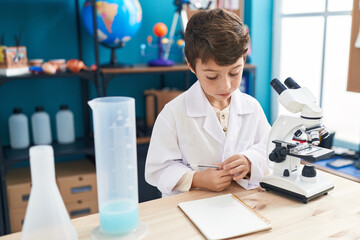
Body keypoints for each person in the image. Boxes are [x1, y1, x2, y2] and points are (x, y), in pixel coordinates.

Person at [145, 8, 271, 197]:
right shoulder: (173, 113)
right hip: (190, 204)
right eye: (212, 76)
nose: (226, 85)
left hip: (240, 200)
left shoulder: (251, 107)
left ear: (243, 60)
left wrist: (249, 161)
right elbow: (158, 170)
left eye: (235, 72)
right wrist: (197, 179)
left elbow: (269, 149)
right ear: (191, 65)